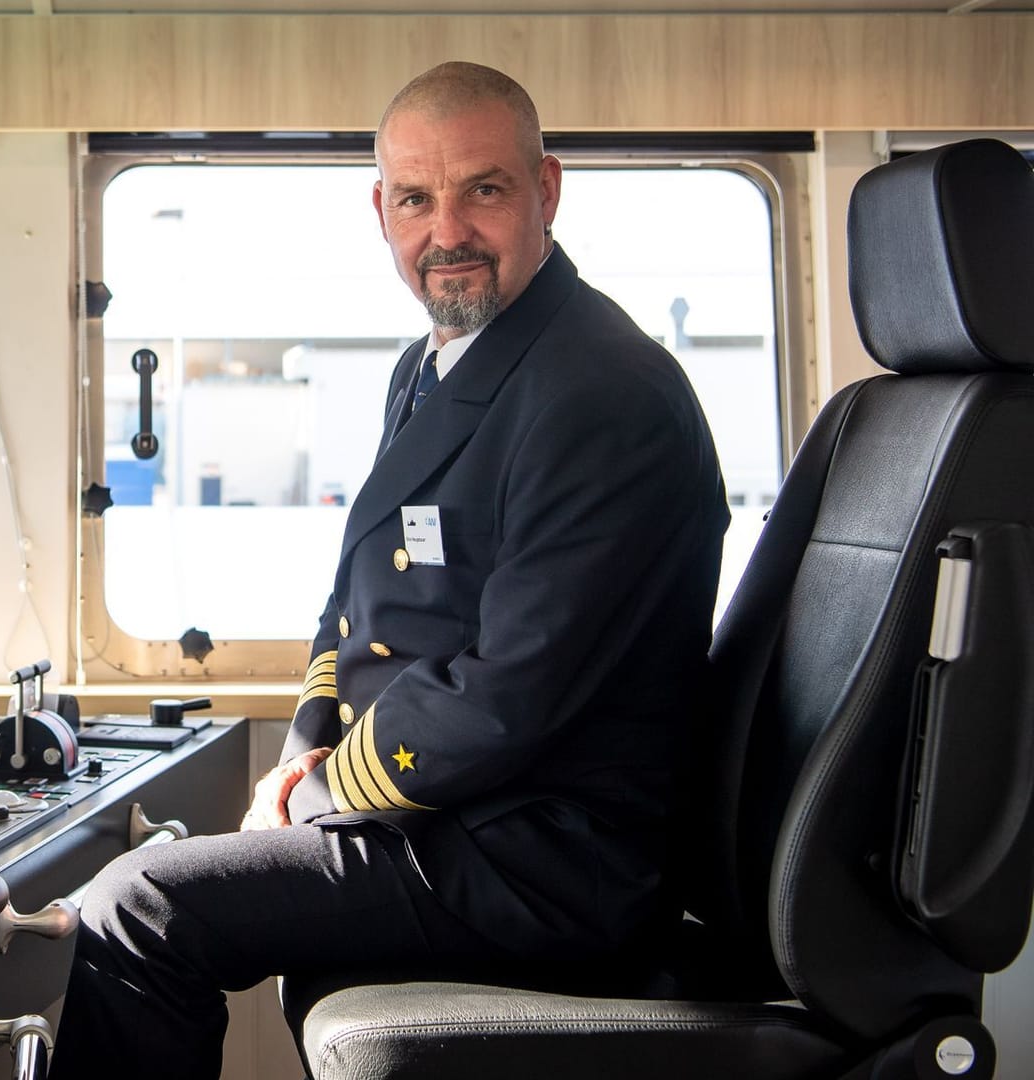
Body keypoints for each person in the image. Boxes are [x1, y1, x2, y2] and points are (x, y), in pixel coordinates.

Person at [48, 61, 729, 1079]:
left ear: (545, 190)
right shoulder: (436, 362)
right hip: (459, 816)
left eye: (483, 191)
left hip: (542, 857)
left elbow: (508, 694)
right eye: (416, 199)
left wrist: (323, 798)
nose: (445, 231)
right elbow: (356, 606)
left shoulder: (601, 392)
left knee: (140, 907)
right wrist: (298, 756)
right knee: (149, 889)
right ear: (381, 209)